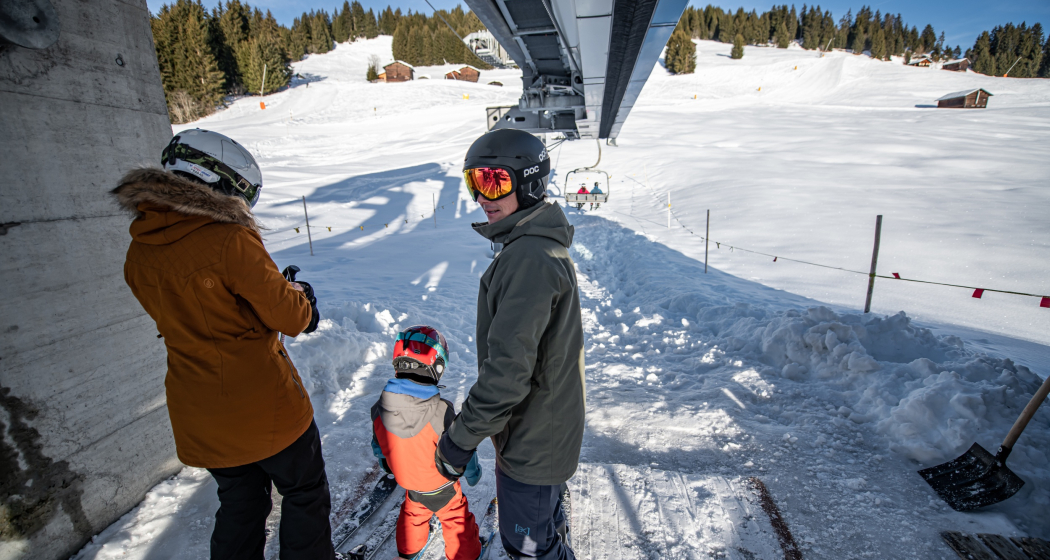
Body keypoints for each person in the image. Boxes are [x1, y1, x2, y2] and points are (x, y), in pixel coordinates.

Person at [112, 129, 331, 560]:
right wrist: (301, 298)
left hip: (199, 410)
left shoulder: (139, 251)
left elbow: (198, 312)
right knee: (304, 492)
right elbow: (289, 317)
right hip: (264, 407)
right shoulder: (229, 238)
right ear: (219, 183)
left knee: (240, 504)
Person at [437, 129, 585, 560]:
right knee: (543, 530)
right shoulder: (532, 247)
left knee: (528, 549)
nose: (483, 196)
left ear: (530, 182)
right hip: (540, 430)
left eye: (495, 182)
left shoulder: (529, 259)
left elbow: (507, 374)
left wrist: (460, 440)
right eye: (475, 182)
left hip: (533, 441)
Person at [370, 326, 482, 560]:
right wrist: (473, 474)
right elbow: (462, 449)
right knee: (456, 518)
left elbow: (380, 448)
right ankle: (466, 555)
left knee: (413, 514)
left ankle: (408, 552)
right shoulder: (442, 411)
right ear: (437, 366)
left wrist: (389, 466)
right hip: (442, 486)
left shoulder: (379, 409)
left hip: (410, 483)